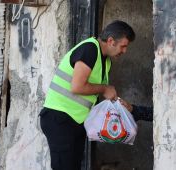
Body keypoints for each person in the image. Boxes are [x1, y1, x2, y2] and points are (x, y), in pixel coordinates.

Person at [39, 20, 135, 170]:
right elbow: (77, 86)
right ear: (111, 41)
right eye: (123, 46)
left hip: (74, 121)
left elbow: (93, 91)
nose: (124, 51)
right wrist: (104, 89)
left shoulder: (106, 61)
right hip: (60, 118)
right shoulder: (90, 49)